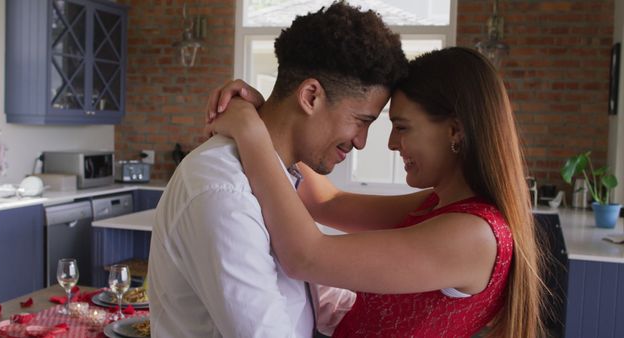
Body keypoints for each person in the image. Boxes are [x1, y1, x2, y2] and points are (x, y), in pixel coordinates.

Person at [206, 47, 544, 337]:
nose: (391, 143)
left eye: (402, 128)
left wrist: (251, 132)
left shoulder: (473, 235)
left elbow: (305, 257)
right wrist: (274, 116)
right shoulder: (442, 206)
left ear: (455, 130)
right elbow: (327, 202)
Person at [146, 2, 408, 337]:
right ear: (310, 96)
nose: (361, 142)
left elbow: (310, 297)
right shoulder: (222, 190)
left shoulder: (280, 176)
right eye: (361, 121)